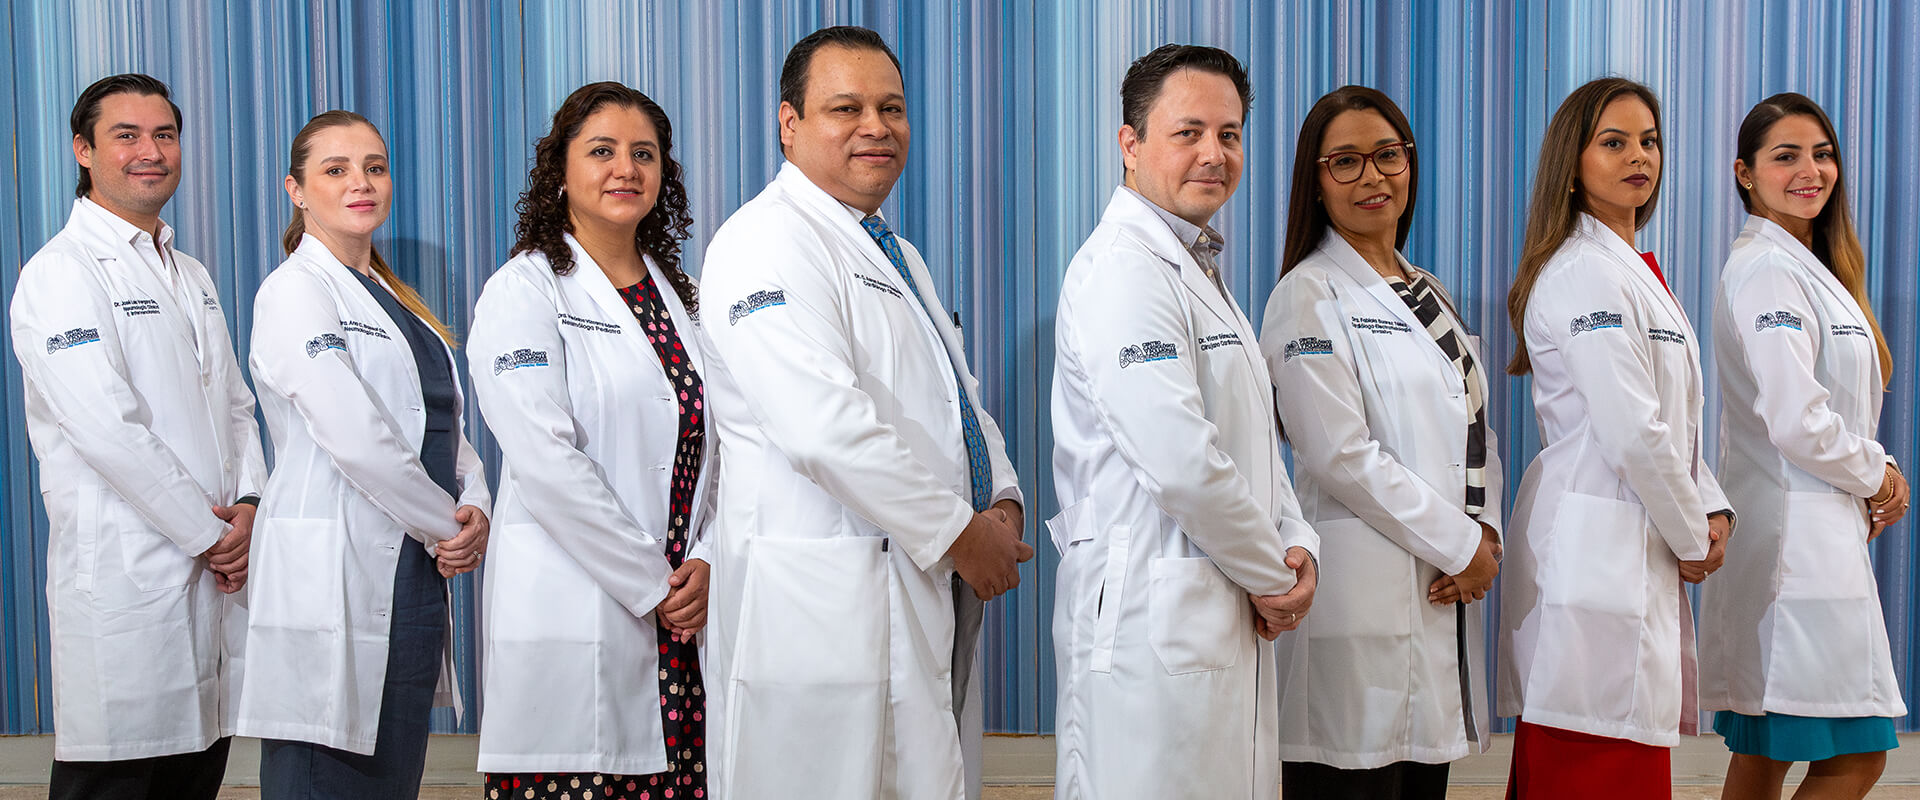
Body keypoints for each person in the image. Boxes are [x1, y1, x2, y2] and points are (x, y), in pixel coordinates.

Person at [698, 25, 1032, 800]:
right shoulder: (762, 242)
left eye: (892, 108)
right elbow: (821, 429)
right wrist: (961, 533)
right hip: (825, 610)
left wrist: (1003, 499)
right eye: (846, 108)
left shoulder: (896, 253)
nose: (876, 127)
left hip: (918, 585)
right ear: (789, 124)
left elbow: (959, 398)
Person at [1049, 44, 1319, 800]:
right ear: (1130, 143)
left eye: (1229, 135)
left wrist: (1299, 542)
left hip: (1213, 606)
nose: (1214, 154)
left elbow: (1253, 446)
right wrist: (1275, 573)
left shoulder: (1194, 266)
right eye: (1188, 132)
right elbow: (1180, 462)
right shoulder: (1123, 269)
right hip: (1148, 619)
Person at [8, 72, 264, 800]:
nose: (151, 152)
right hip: (132, 578)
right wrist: (210, 535)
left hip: (216, 575)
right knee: (115, 779)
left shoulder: (191, 272)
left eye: (165, 135)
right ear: (83, 150)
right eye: (127, 136)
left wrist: (251, 505)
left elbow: (236, 406)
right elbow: (105, 428)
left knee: (195, 771)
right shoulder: (61, 273)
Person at [237, 110, 492, 799]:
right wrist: (449, 527)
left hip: (413, 572)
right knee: (322, 778)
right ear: (296, 189)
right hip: (340, 571)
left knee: (389, 777)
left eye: (374, 167)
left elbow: (443, 426)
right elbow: (354, 435)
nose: (361, 183)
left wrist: (476, 504)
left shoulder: (392, 300)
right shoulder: (295, 291)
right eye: (337, 169)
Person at [469, 81, 713, 800]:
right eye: (602, 151)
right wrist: (653, 583)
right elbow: (546, 461)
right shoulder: (525, 290)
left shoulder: (683, 295)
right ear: (561, 169)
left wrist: (709, 556)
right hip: (587, 606)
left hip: (686, 616)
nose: (625, 169)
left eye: (644, 153)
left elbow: (726, 445)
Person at [1261, 85, 1500, 800]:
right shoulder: (1307, 294)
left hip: (1440, 593)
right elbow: (1338, 454)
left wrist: (1483, 534)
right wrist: (1461, 545)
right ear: (1316, 180)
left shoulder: (1428, 291)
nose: (1373, 176)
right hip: (1362, 605)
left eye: (1388, 155)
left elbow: (1474, 430)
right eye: (1346, 161)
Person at [1498, 76, 1734, 799]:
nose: (1640, 156)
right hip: (1595, 559)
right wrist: (1693, 534)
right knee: (1589, 765)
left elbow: (1672, 419)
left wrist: (1712, 506)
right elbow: (1631, 428)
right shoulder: (1582, 274)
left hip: (1631, 544)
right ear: (1572, 163)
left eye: (1649, 141)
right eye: (1614, 142)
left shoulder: (1630, 270)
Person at [1701, 92, 1908, 800]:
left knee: (1763, 754)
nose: (1810, 171)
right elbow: (1795, 420)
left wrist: (1871, 473)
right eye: (1785, 156)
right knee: (1858, 756)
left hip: (1812, 538)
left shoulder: (1809, 266)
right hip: (1795, 549)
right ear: (1745, 173)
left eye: (1822, 155)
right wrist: (1880, 474)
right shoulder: (1768, 270)